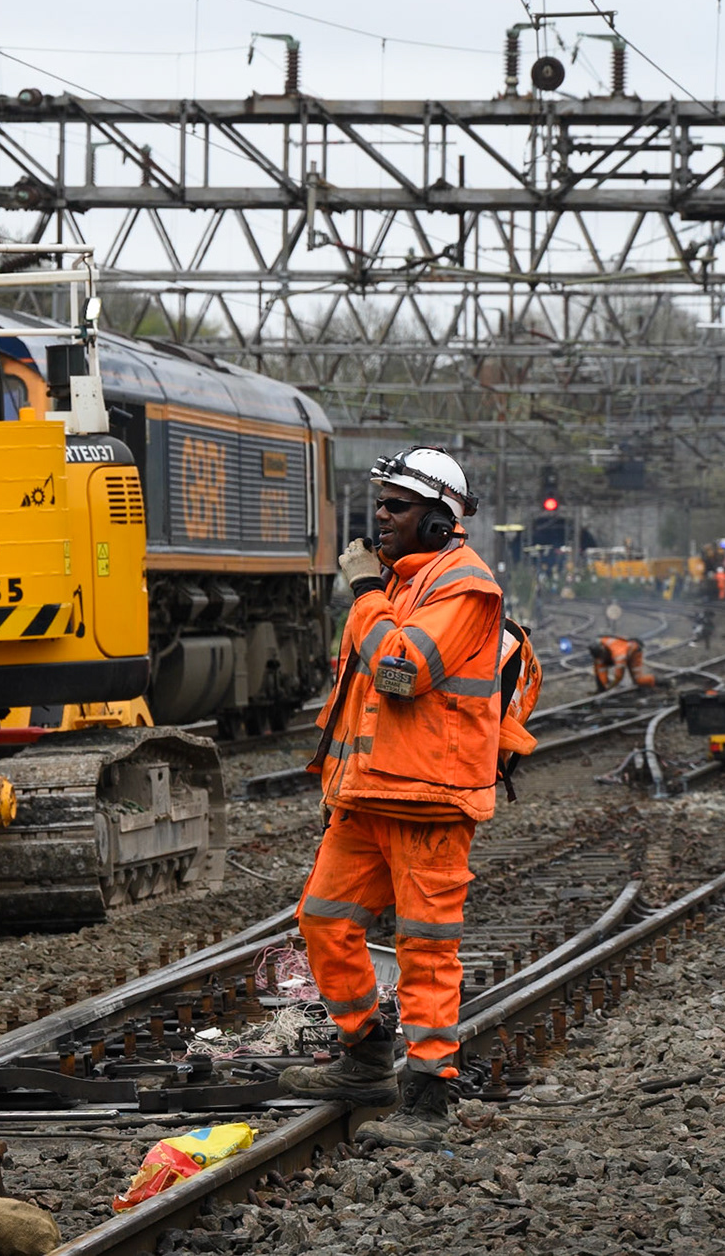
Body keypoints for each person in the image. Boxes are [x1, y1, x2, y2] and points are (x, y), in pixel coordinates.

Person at [282, 446, 512, 1149]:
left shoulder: (464, 587)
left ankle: (429, 1098)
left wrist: (363, 594)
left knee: (426, 949)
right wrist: (338, 787)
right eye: (380, 503)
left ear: (441, 520)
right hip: (369, 797)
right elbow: (358, 705)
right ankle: (365, 1057)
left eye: (398, 506)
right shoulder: (400, 584)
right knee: (323, 919)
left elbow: (400, 673)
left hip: (429, 803)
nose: (380, 515)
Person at [589, 636, 656, 691]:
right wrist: (605, 685)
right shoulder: (600, 652)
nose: (602, 658)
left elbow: (619, 675)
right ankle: (600, 690)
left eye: (602, 655)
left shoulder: (619, 654)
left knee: (639, 680)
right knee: (597, 668)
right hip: (616, 653)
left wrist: (611, 686)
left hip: (633, 654)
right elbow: (601, 670)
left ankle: (657, 680)